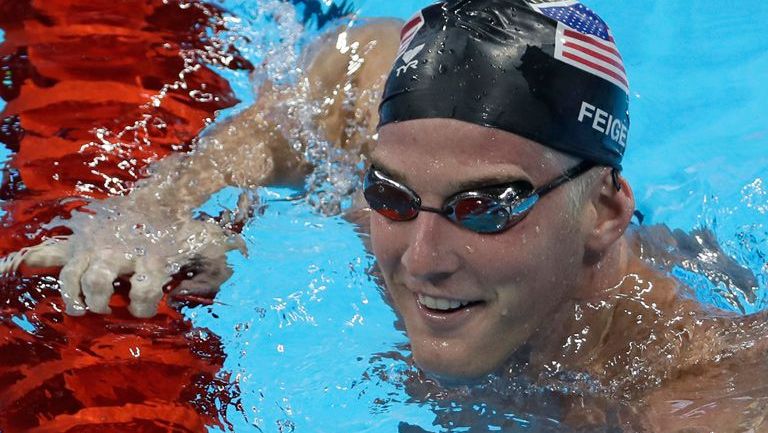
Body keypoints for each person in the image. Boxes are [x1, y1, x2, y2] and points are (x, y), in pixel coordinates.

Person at [4, 0, 767, 429]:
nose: (421, 256)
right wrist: (155, 215)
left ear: (606, 209)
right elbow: (301, 105)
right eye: (390, 195)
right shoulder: (373, 101)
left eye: (486, 208)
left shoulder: (689, 395)